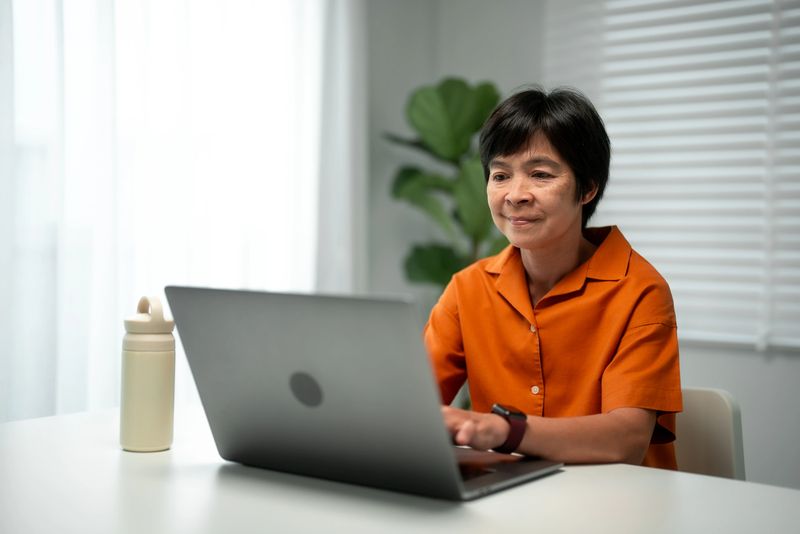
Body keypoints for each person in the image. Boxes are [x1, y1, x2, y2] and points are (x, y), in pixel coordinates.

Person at [424, 87, 682, 469]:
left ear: (587, 188)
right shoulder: (468, 287)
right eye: (500, 175)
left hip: (619, 507)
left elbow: (626, 439)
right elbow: (412, 405)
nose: (515, 195)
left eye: (540, 174)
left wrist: (504, 430)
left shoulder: (640, 290)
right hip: (511, 499)